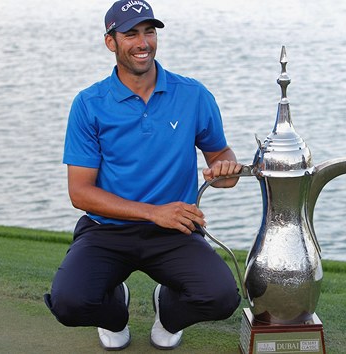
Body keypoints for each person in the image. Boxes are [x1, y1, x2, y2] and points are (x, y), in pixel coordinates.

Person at [44, 0, 242, 350]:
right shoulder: (89, 104)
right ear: (111, 42)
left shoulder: (193, 95)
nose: (143, 42)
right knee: (69, 302)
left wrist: (225, 170)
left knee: (221, 298)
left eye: (149, 32)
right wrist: (153, 212)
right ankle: (114, 310)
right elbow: (81, 193)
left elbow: (220, 157)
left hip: (175, 230)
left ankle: (168, 309)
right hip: (106, 230)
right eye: (131, 33)